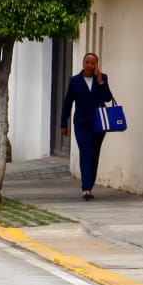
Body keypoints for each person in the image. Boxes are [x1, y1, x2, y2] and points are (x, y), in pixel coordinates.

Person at [59, 52, 114, 201]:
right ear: (83, 64)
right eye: (87, 62)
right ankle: (86, 188)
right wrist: (63, 123)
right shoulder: (75, 81)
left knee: (94, 154)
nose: (90, 65)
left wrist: (101, 82)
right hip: (81, 122)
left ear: (96, 65)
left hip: (99, 122)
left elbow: (108, 98)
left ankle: (90, 184)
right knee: (86, 151)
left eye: (93, 62)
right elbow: (67, 102)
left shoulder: (102, 78)